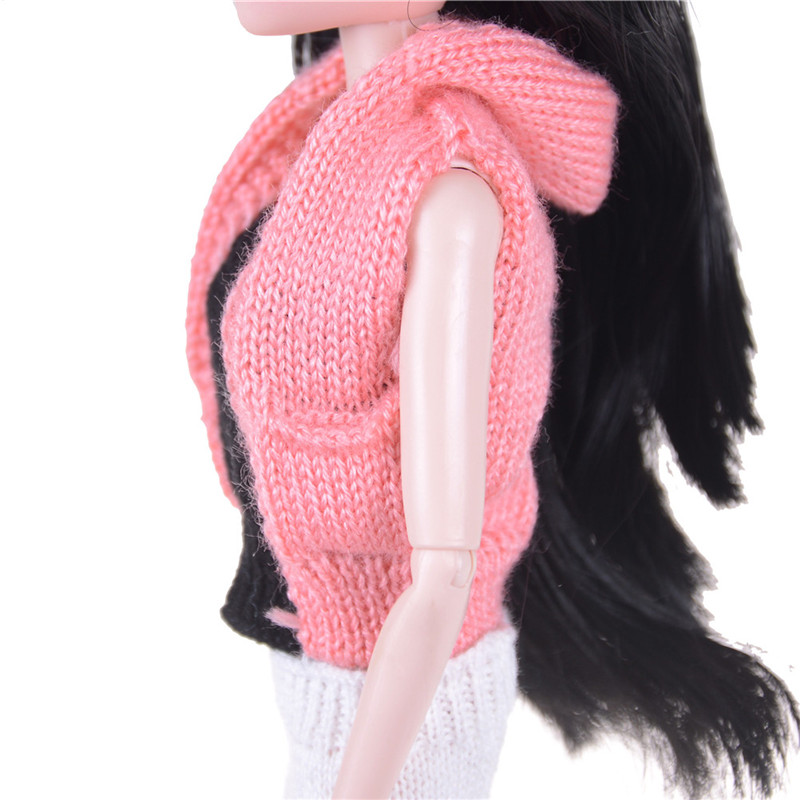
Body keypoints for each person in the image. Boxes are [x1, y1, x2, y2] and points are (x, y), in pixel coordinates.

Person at [187, 2, 798, 797]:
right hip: (326, 664)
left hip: (406, 703)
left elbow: (445, 570)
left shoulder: (451, 192)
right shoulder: (330, 142)